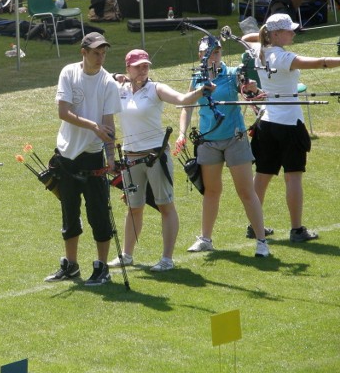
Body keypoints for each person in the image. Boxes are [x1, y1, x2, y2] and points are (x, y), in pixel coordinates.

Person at [107, 49, 215, 272]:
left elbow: (182, 99)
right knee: (134, 207)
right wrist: (118, 76)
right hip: (130, 157)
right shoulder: (119, 89)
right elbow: (100, 76)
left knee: (165, 205)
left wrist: (201, 91)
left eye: (146, 65)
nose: (143, 69)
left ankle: (167, 258)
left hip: (155, 156)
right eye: (137, 66)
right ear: (128, 68)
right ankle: (127, 255)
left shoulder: (156, 88)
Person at [175, 37, 270, 258]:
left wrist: (252, 90)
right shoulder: (197, 77)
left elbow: (248, 93)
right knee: (211, 191)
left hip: (234, 138)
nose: (213, 56)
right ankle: (205, 239)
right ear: (201, 56)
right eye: (208, 53)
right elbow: (187, 106)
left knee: (246, 191)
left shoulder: (233, 72)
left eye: (216, 52)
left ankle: (261, 241)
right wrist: (181, 133)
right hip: (208, 140)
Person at [252, 13, 340, 242]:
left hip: (266, 122)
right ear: (276, 34)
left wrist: (263, 37)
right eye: (289, 30)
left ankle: (254, 225)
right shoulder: (283, 57)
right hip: (289, 123)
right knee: (293, 177)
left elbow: (250, 36)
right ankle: (297, 229)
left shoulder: (259, 51)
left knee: (262, 176)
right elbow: (320, 63)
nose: (293, 33)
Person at [44, 32, 121, 286]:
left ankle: (101, 267)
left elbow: (109, 125)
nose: (100, 57)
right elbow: (63, 112)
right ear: (84, 52)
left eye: (103, 53)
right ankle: (71, 265)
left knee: (98, 213)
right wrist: (93, 126)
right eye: (96, 52)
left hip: (93, 158)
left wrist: (110, 157)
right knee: (69, 213)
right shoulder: (68, 73)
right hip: (66, 156)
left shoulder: (109, 83)